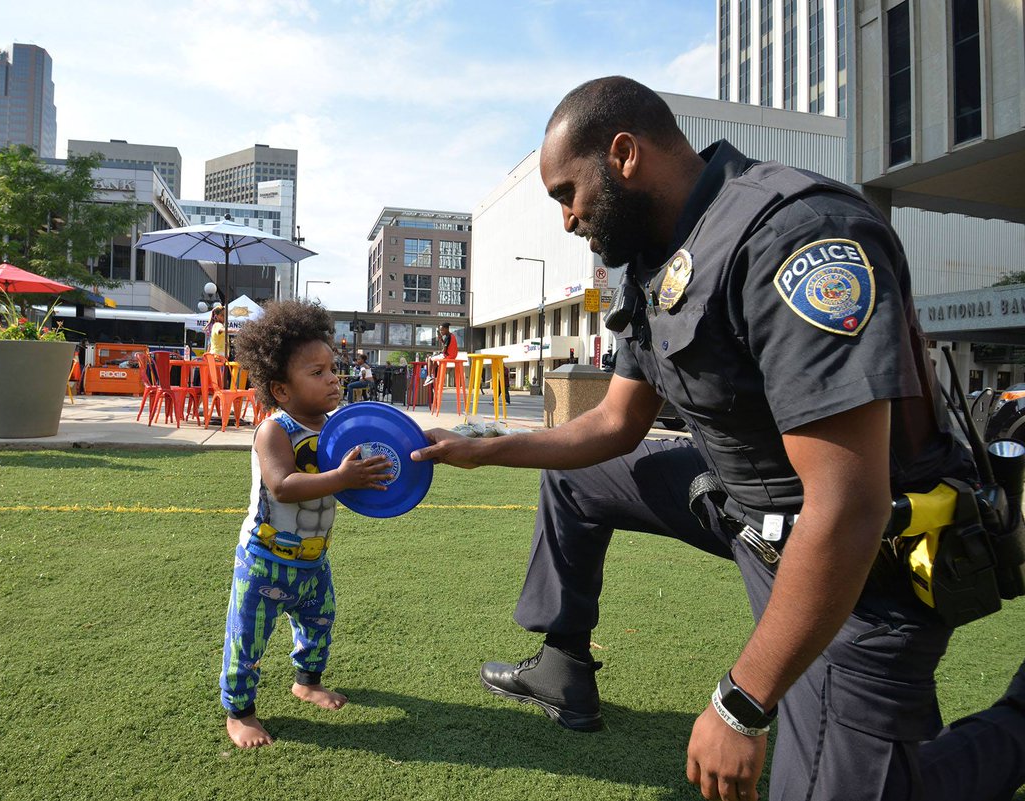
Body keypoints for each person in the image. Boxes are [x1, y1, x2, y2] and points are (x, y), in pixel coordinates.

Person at [410, 76, 1025, 801]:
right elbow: (614, 424)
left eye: (567, 194)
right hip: (745, 511)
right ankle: (563, 664)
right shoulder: (654, 258)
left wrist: (742, 699)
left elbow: (850, 505)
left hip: (858, 566)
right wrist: (484, 446)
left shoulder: (794, 235)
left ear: (624, 154)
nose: (568, 220)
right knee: (577, 478)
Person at [220, 299, 393, 749]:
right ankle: (240, 713)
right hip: (265, 559)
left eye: (332, 368)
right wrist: (341, 476)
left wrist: (377, 474)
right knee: (248, 637)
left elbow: (354, 479)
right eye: (316, 373)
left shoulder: (337, 428)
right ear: (280, 389)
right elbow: (282, 485)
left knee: (319, 624)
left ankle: (306, 681)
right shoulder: (274, 430)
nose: (333, 378)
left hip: (314, 559)